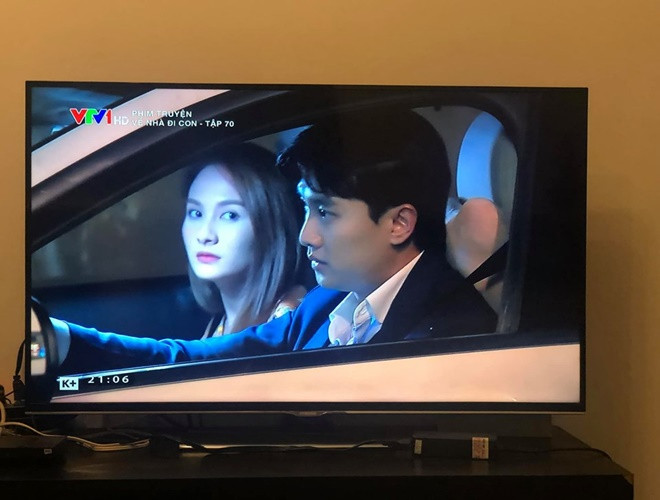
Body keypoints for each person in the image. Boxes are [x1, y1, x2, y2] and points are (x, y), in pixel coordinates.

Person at [54, 107, 497, 375]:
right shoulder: (327, 303)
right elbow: (201, 358)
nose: (306, 235)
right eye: (306, 209)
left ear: (399, 223)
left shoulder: (450, 333)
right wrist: (67, 341)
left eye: (325, 211)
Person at [180, 144, 307, 338]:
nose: (205, 235)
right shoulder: (222, 322)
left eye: (230, 215)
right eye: (196, 213)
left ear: (271, 225)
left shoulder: (288, 321)